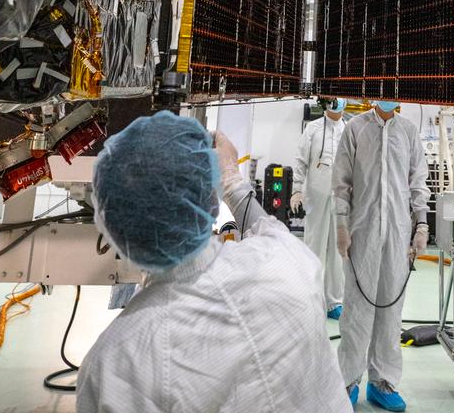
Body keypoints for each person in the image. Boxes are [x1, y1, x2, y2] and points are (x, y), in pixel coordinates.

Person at [75, 110, 350, 413]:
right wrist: (232, 179)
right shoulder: (288, 262)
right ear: (209, 197)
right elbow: (271, 230)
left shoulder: (116, 364)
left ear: (111, 226)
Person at [333, 100, 430, 411]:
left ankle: (382, 383)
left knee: (390, 310)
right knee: (356, 311)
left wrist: (422, 224)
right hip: (362, 231)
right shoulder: (355, 128)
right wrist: (341, 225)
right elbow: (341, 183)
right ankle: (348, 381)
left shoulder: (408, 131)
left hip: (398, 233)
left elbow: (418, 181)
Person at [292, 98, 349, 319]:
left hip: (342, 198)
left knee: (338, 251)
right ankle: (309, 298)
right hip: (316, 196)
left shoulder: (349, 130)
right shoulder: (313, 129)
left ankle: (334, 302)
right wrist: (297, 189)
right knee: (313, 247)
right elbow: (300, 161)